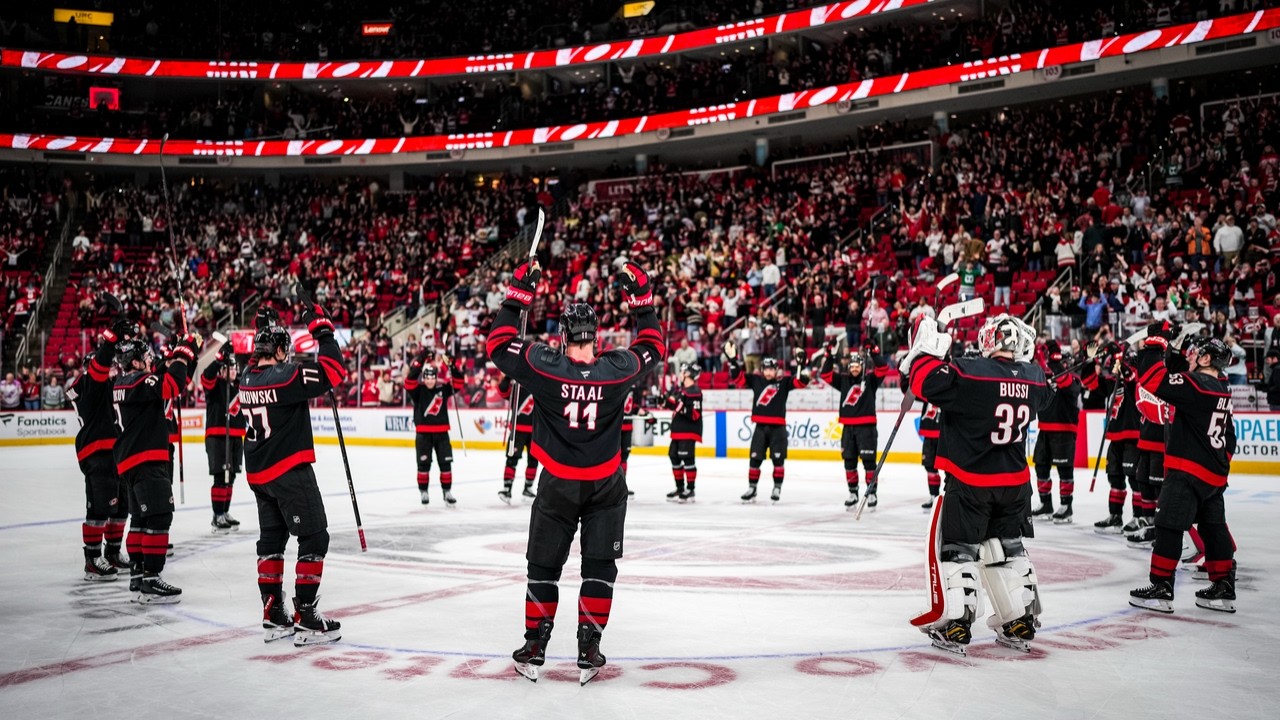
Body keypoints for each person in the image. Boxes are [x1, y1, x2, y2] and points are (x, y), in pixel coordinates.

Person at [486, 259, 665, 685]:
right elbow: (654, 345)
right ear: (597, 337)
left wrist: (518, 294)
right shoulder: (616, 368)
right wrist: (641, 300)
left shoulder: (545, 364)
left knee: (543, 568)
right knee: (599, 568)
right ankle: (589, 645)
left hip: (558, 484)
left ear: (564, 336)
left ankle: (535, 644)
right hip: (606, 484)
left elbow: (498, 343)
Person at [902, 313, 1052, 655]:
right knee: (1009, 550)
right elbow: (1046, 395)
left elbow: (923, 380)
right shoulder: (1035, 377)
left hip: (971, 481)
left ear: (989, 340)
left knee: (958, 550)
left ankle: (956, 623)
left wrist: (925, 345)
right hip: (1015, 484)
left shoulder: (971, 371)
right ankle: (1020, 619)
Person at [239, 302, 347, 645]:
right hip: (288, 470)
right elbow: (333, 370)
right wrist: (322, 329)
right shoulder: (285, 376)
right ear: (282, 351)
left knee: (272, 539)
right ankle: (307, 616)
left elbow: (265, 361)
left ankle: (273, 612)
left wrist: (265, 329)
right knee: (315, 537)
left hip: (259, 474)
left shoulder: (247, 377)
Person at [1129, 328, 1237, 614]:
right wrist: (1219, 467)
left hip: (1186, 471)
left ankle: (1162, 585)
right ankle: (1223, 585)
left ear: (1206, 359)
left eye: (1196, 353)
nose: (1191, 356)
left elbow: (1152, 380)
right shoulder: (1223, 390)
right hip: (1213, 476)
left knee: (1168, 525)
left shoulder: (1196, 383)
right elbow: (1231, 439)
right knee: (1214, 528)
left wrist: (1156, 342)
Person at [112, 331, 202, 603]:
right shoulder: (140, 380)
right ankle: (151, 578)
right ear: (135, 361)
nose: (149, 360)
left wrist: (185, 354)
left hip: (130, 460)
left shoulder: (123, 381)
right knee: (160, 516)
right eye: (145, 357)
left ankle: (138, 576)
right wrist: (184, 351)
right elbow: (172, 385)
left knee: (141, 519)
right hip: (146, 458)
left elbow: (173, 378)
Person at [66, 320, 133, 581]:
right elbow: (101, 365)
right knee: (99, 508)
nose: (111, 369)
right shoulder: (89, 385)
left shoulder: (105, 386)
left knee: (120, 505)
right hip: (97, 452)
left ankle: (113, 552)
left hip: (115, 451)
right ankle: (92, 559)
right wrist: (112, 339)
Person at [725, 345, 811, 503]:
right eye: (766, 369)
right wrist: (732, 360)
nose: (768, 372)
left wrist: (802, 365)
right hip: (760, 428)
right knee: (754, 460)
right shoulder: (756, 380)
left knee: (778, 461)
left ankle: (777, 488)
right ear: (762, 370)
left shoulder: (784, 382)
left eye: (771, 369)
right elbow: (737, 378)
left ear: (776, 370)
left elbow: (802, 382)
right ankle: (752, 488)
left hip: (778, 429)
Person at [818, 338, 887, 508]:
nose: (854, 369)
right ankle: (852, 492)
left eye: (857, 366)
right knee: (849, 461)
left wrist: (875, 352)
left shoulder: (871, 380)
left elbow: (883, 368)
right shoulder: (843, 381)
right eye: (852, 366)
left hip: (866, 428)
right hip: (848, 428)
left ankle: (871, 493)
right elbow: (825, 374)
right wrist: (829, 356)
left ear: (863, 368)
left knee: (869, 461)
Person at [1093, 346, 1143, 535]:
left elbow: (1131, 378)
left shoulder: (1137, 381)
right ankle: (1115, 516)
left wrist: (1120, 360)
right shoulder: (1112, 382)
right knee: (1114, 477)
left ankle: (1139, 517)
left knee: (1135, 479)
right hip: (1115, 437)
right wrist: (1093, 360)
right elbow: (1090, 382)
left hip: (1132, 436)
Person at [1031, 340, 1082, 524]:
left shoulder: (1073, 378)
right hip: (1044, 428)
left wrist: (1053, 359)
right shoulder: (1046, 375)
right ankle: (1046, 503)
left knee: (1064, 469)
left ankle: (1066, 505)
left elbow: (1064, 381)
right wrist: (1039, 358)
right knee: (1041, 466)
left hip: (1064, 430)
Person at [404, 348, 463, 506]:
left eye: (432, 378)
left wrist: (452, 365)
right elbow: (409, 381)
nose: (430, 381)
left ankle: (447, 491)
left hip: (442, 433)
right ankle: (423, 492)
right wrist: (421, 359)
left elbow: (459, 383)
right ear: (424, 378)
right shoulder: (418, 391)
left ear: (436, 378)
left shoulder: (442, 389)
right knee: (423, 464)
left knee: (445, 464)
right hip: (423, 435)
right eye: (427, 378)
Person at [200, 345, 245, 533]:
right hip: (218, 437)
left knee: (231, 477)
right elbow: (205, 376)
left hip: (235, 438)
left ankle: (225, 512)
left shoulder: (239, 388)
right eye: (230, 368)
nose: (233, 371)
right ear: (223, 370)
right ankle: (217, 515)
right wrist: (219, 358)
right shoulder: (215, 385)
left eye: (235, 368)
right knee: (221, 476)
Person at [663, 363, 703, 502]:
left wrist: (676, 405)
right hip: (677, 430)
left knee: (687, 459)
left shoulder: (694, 391)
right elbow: (674, 405)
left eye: (682, 372)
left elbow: (695, 414)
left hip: (688, 431)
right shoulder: (681, 391)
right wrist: (665, 400)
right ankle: (680, 487)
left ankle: (690, 489)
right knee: (673, 456)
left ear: (687, 374)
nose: (680, 374)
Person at [498, 374, 538, 503]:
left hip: (535, 429)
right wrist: (507, 377)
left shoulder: (540, 385)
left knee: (533, 460)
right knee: (512, 459)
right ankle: (507, 489)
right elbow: (502, 391)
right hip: (517, 429)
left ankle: (528, 488)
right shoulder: (516, 385)